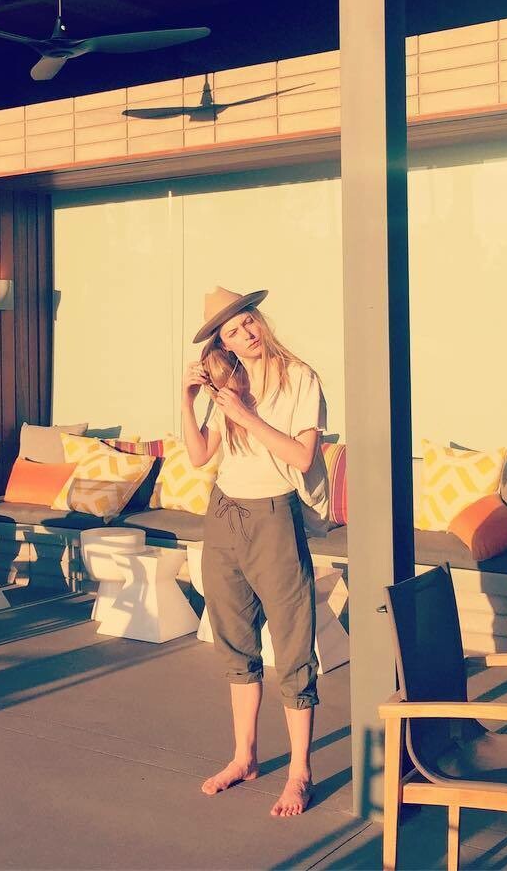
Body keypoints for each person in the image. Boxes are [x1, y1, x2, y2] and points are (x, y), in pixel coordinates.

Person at [182, 286, 327, 819]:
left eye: (247, 321)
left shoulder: (300, 378)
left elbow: (303, 457)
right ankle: (244, 757)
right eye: (232, 331)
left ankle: (299, 772)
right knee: (235, 641)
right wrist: (187, 400)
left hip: (274, 516)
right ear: (223, 343)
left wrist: (246, 417)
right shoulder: (230, 384)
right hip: (223, 513)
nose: (245, 334)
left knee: (291, 645)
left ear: (259, 320)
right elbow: (200, 456)